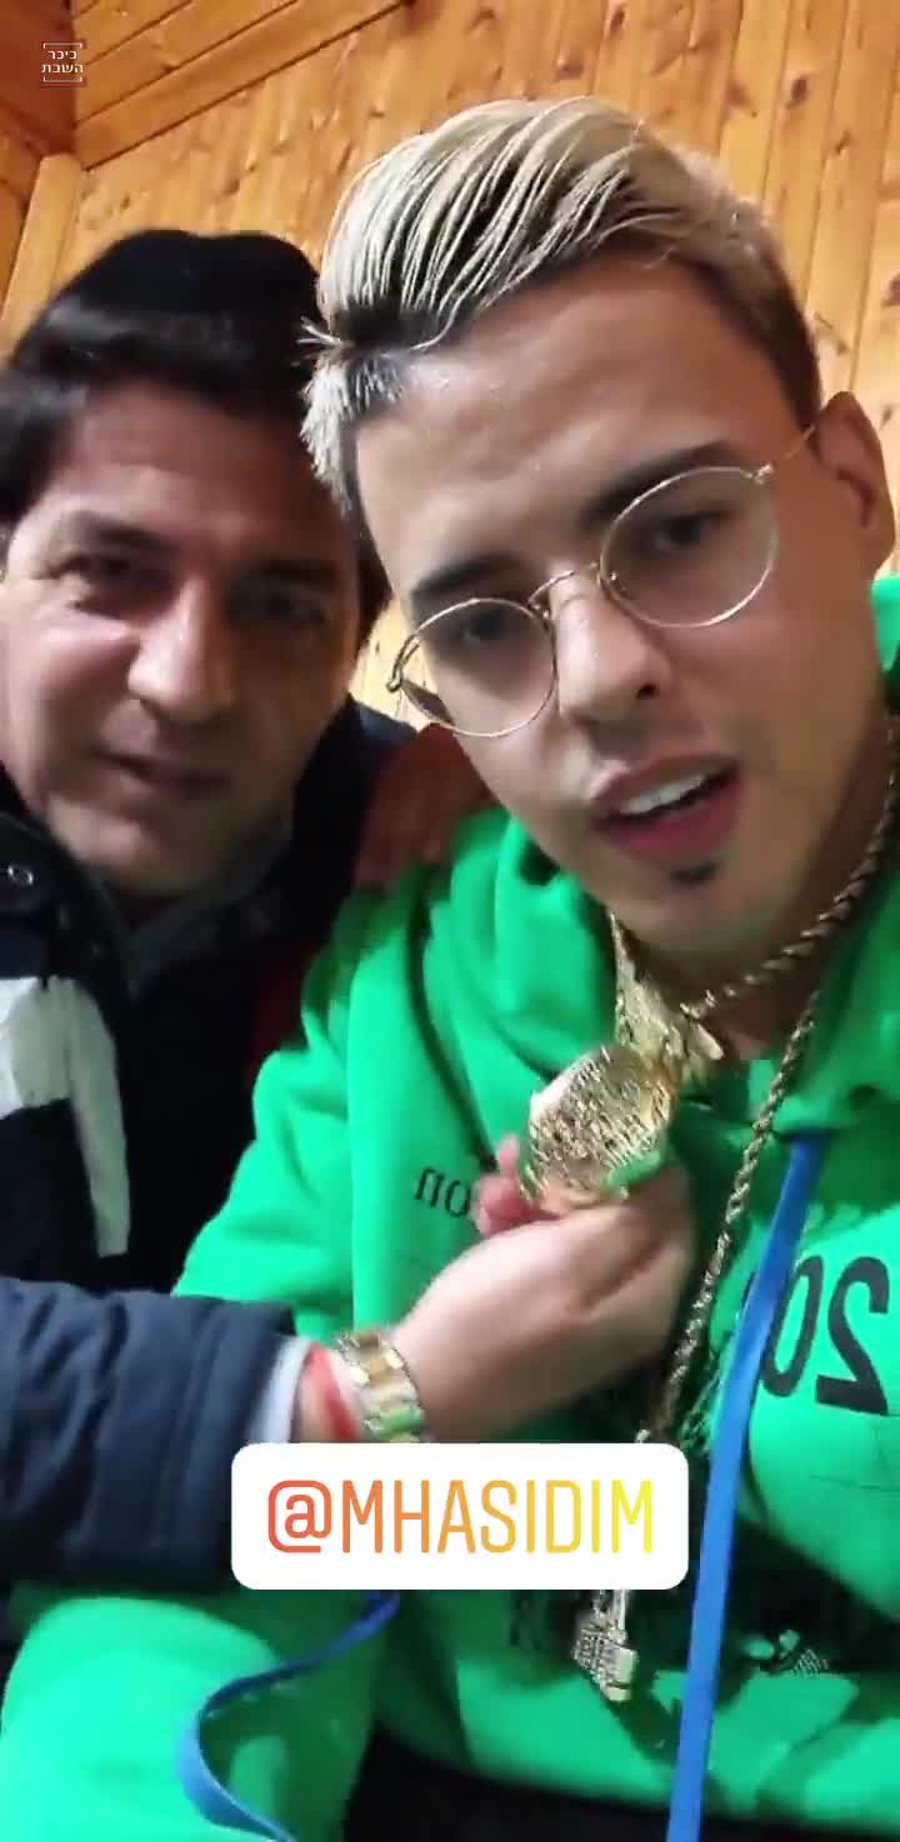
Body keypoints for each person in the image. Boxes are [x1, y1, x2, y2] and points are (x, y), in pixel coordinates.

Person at [2, 96, 900, 1842]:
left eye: (678, 525)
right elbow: (218, 1559)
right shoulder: (406, 979)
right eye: (484, 621)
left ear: (854, 490)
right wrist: (388, 1411)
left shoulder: (378, 836)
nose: (600, 676)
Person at [0, 225, 485, 1590]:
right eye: (111, 572)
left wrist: (530, 760)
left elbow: (593, 1518)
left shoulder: (432, 872)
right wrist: (330, 1415)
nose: (188, 682)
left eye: (280, 606)